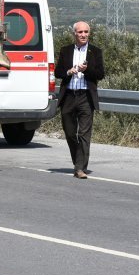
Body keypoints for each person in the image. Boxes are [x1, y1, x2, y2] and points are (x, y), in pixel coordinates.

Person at [53, 21, 106, 179]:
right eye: (80, 32)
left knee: (84, 134)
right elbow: (58, 72)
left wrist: (87, 69)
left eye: (86, 32)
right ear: (74, 34)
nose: (83, 35)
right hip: (69, 96)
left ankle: (79, 168)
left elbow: (100, 74)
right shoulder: (66, 51)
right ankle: (79, 161)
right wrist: (69, 71)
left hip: (85, 97)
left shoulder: (95, 51)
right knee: (70, 133)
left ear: (89, 33)